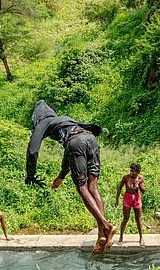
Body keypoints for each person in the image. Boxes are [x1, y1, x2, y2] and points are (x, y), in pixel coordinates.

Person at [25, 100, 116, 254]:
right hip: (91, 140)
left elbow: (32, 151)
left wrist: (30, 174)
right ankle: (102, 236)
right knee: (93, 186)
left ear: (37, 118)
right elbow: (69, 151)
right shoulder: (64, 120)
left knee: (82, 188)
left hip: (76, 143)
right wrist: (61, 176)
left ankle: (107, 227)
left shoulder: (43, 124)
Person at [115, 162, 146, 247]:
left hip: (136, 199)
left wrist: (139, 184)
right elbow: (120, 187)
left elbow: (143, 191)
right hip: (127, 198)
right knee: (125, 218)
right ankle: (121, 237)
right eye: (131, 170)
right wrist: (117, 199)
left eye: (133, 171)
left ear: (138, 172)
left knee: (138, 219)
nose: (131, 172)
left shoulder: (140, 178)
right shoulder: (126, 177)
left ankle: (141, 238)